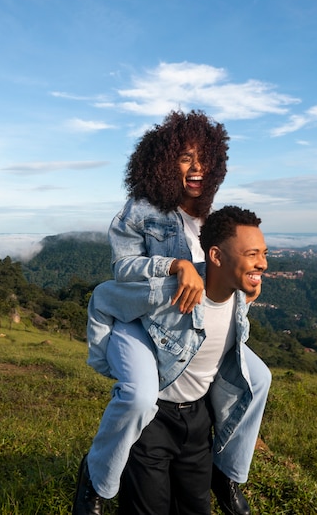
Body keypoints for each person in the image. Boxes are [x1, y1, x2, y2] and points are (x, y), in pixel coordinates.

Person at [73, 110, 230, 514]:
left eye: (204, 157)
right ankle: (95, 477)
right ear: (163, 163)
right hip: (142, 321)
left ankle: (227, 475)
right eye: (185, 158)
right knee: (141, 398)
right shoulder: (142, 209)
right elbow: (122, 269)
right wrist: (174, 266)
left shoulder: (209, 217)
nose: (197, 168)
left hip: (186, 329)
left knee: (256, 380)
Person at [101, 206, 269, 515]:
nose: (263, 263)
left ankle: (227, 474)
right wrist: (102, 358)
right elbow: (106, 297)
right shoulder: (173, 294)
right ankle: (97, 479)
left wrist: (248, 281)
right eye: (252, 254)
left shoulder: (240, 297)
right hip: (154, 420)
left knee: (195, 508)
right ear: (216, 257)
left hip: (198, 420)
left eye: (264, 253)